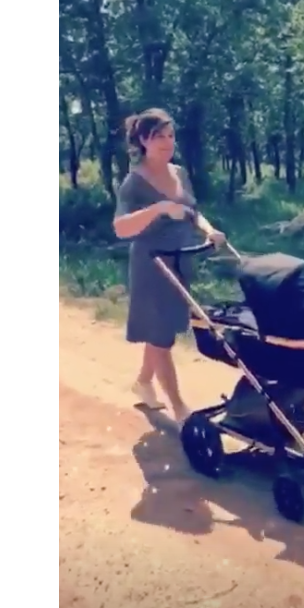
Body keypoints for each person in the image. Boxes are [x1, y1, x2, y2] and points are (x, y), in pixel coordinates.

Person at [113, 108, 226, 428]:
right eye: (158, 136)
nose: (166, 142)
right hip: (152, 266)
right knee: (160, 335)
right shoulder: (133, 183)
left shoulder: (180, 173)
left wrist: (209, 229)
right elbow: (121, 228)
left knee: (164, 332)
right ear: (143, 141)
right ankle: (179, 407)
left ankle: (144, 382)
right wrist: (160, 207)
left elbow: (192, 211)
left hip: (181, 261)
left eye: (170, 135)